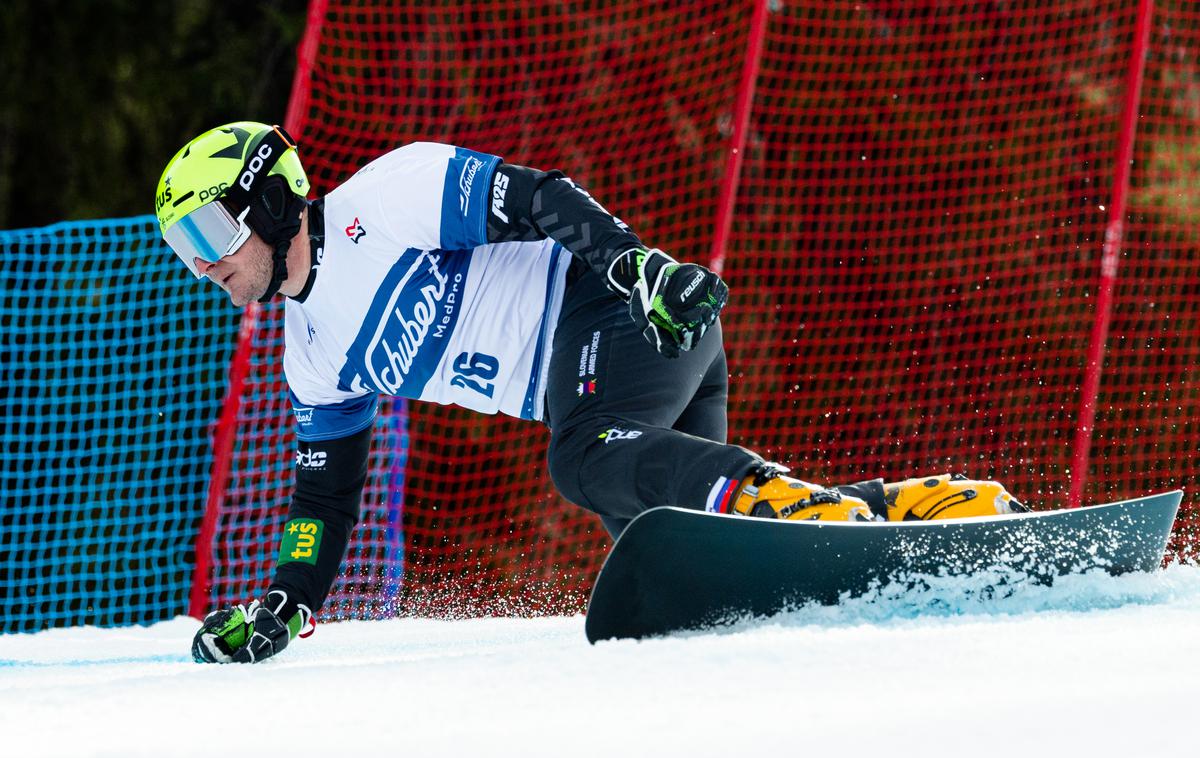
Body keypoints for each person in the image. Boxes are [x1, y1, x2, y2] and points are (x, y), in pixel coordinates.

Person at [156, 122, 1026, 663]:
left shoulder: (383, 201)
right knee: (693, 567)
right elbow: (323, 495)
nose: (205, 264)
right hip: (613, 402)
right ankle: (937, 507)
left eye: (209, 231)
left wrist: (642, 269)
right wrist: (289, 601)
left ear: (272, 200)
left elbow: (539, 198)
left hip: (623, 314)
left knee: (580, 461)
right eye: (183, 249)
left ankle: (797, 507)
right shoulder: (310, 354)